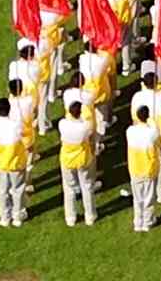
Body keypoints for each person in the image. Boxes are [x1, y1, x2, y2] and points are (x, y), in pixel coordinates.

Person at [58, 93, 100, 226]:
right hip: (83, 159)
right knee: (87, 187)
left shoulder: (63, 124)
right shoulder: (84, 126)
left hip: (67, 160)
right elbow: (90, 131)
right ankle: (90, 216)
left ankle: (70, 218)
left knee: (69, 189)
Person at [0, 95, 31, 226]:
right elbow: (22, 134)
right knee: (18, 189)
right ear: (9, 109)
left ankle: (5, 218)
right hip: (15, 162)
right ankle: (17, 216)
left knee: (3, 191)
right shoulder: (15, 125)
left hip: (1, 163)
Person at [125, 97, 161, 232]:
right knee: (148, 198)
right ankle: (147, 222)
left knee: (137, 198)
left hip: (135, 169)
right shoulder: (152, 132)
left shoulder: (130, 131)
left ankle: (138, 222)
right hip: (149, 169)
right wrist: (152, 121)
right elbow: (159, 141)